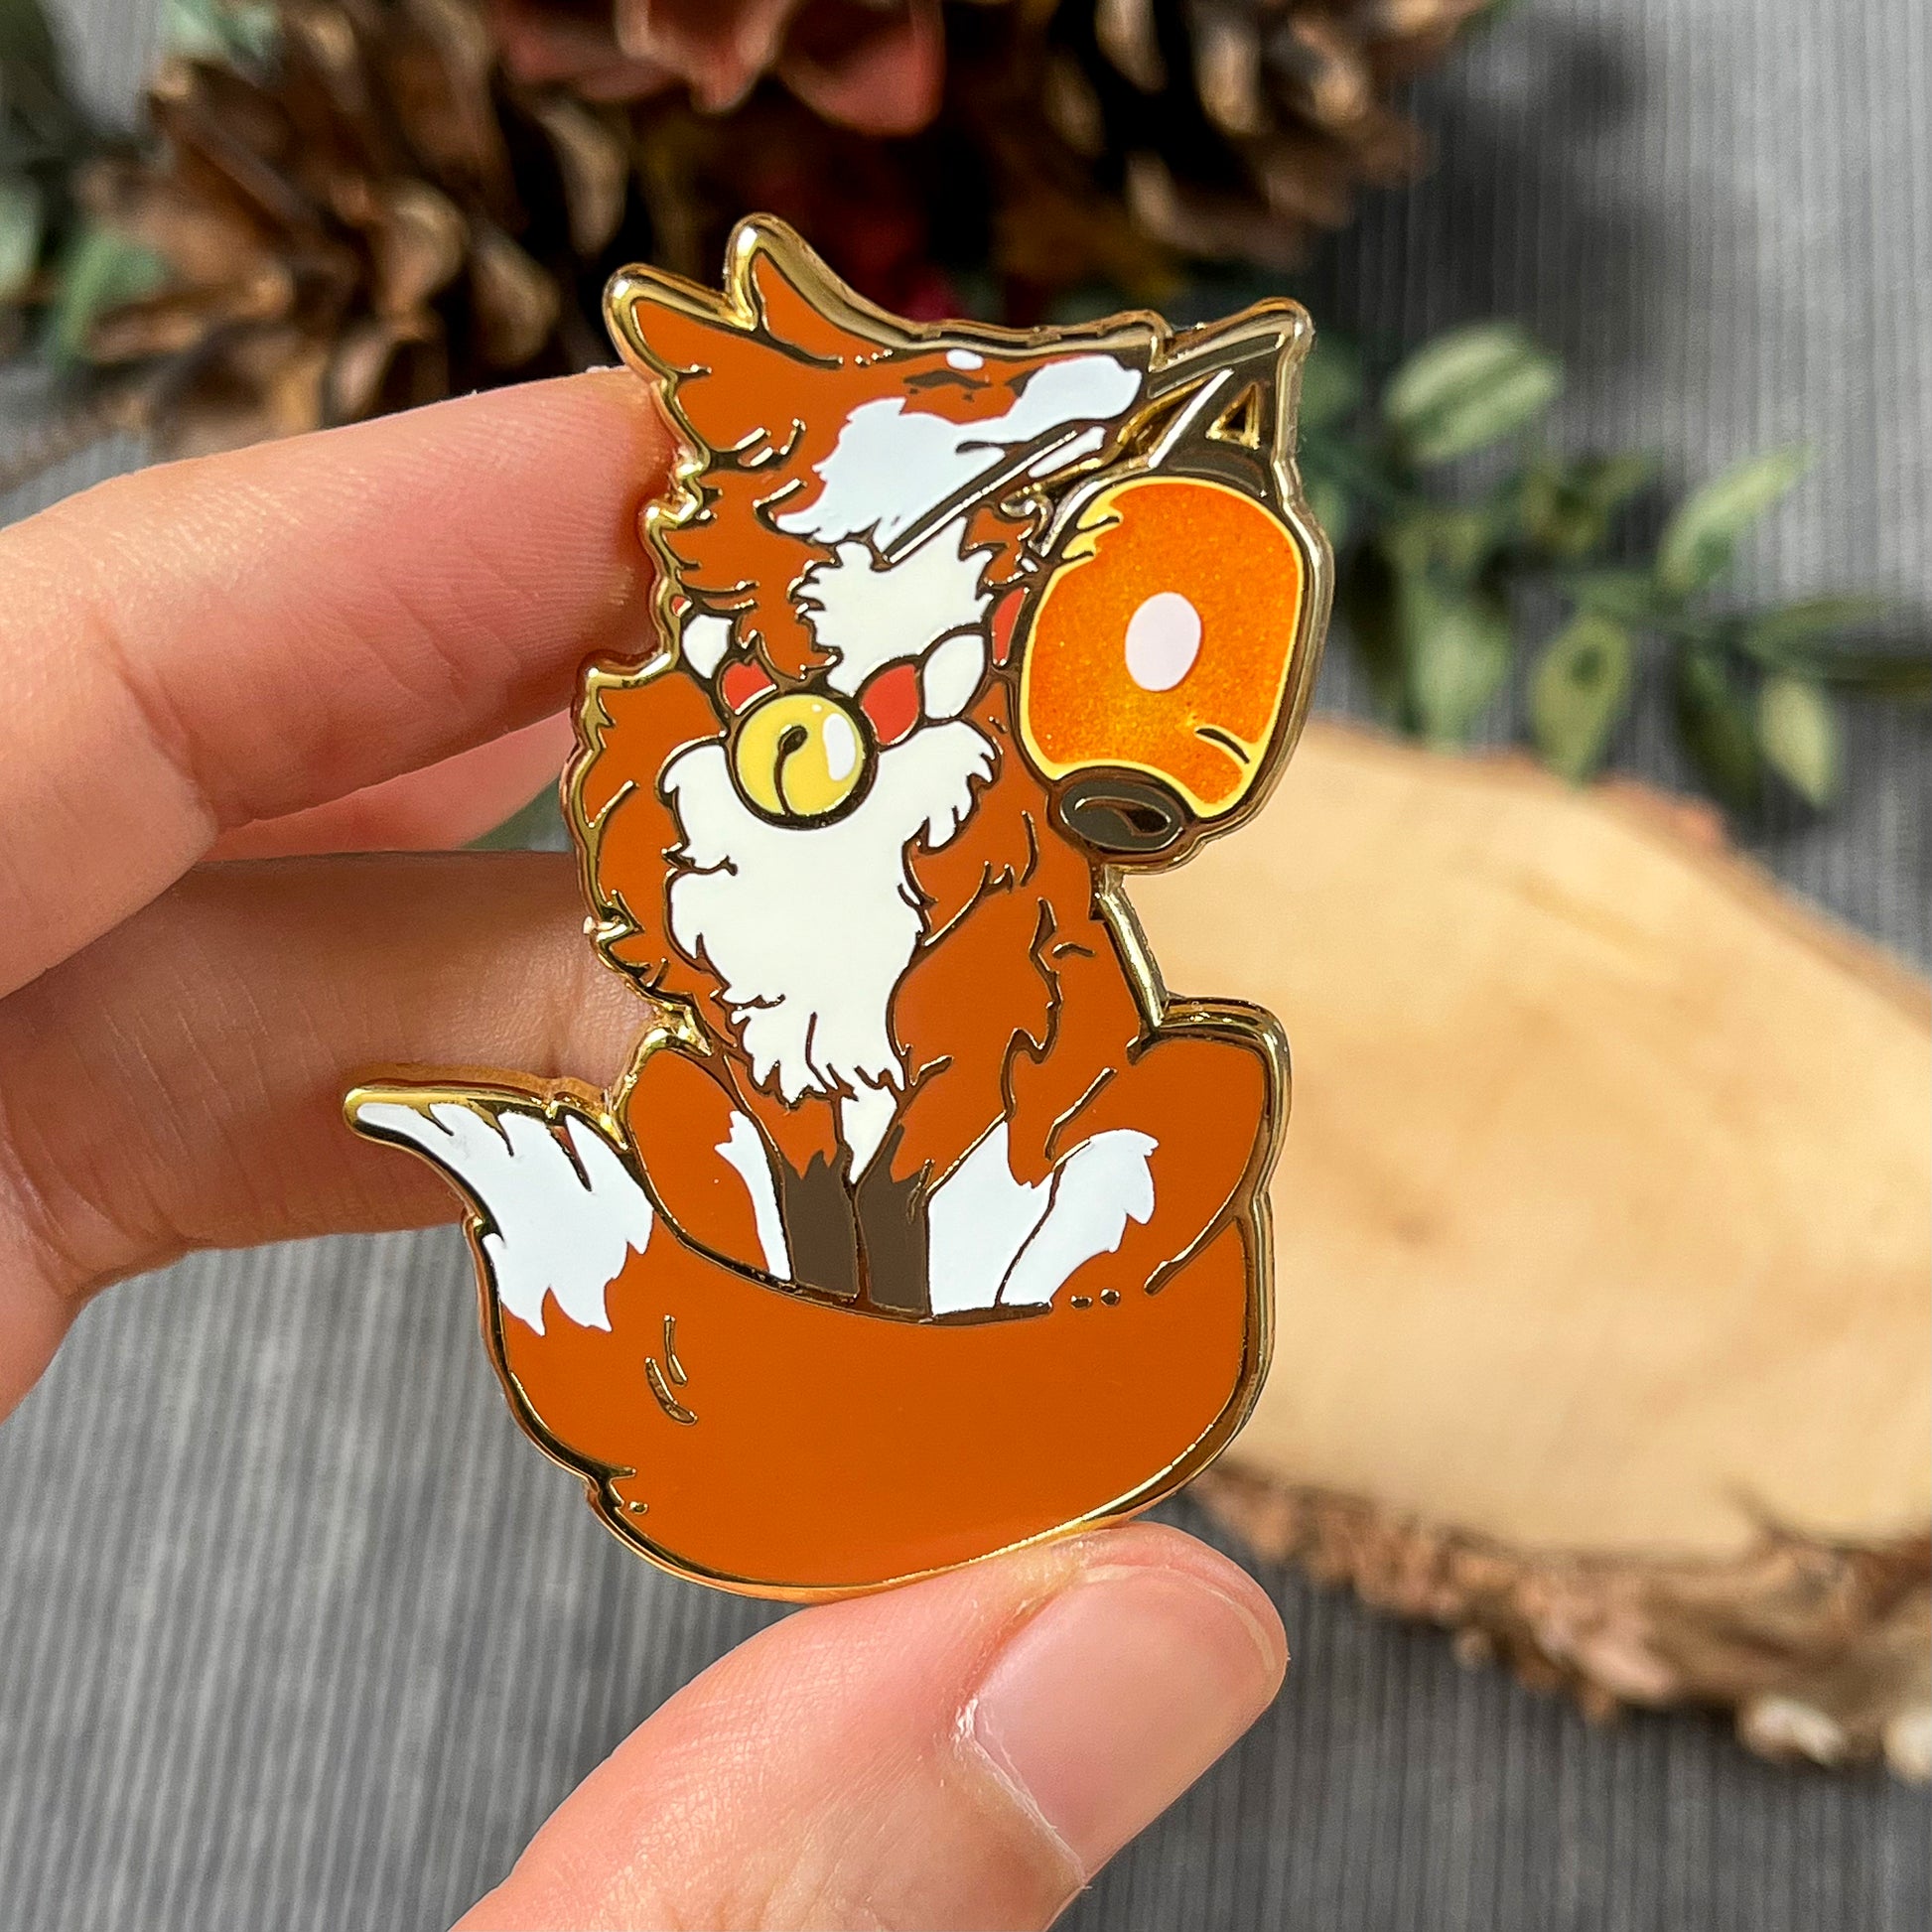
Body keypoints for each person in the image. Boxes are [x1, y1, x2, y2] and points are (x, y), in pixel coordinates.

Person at [0, 371, 1286, 1929]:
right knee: (712, 1112)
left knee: (1116, 1109)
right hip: (806, 1216)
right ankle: (711, 1319)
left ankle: (759, 1321)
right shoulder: (732, 734)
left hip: (1022, 1224)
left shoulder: (999, 777)